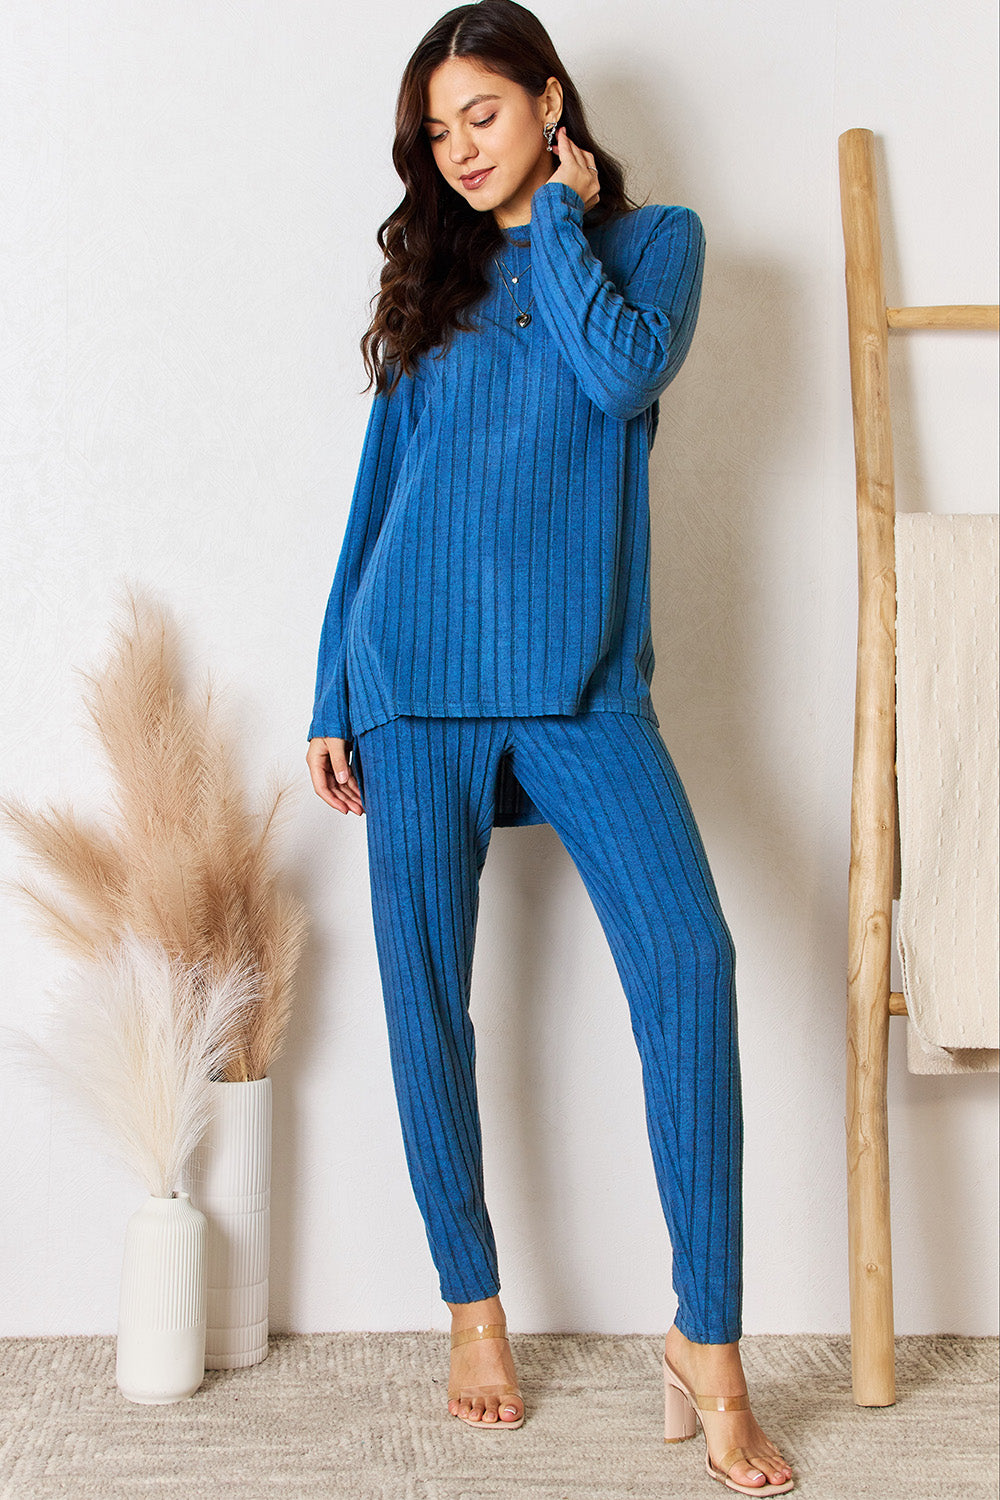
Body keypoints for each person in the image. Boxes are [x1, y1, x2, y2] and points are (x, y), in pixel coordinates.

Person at [306, 2, 794, 1492]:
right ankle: (472, 1305)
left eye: (483, 119)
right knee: (423, 1003)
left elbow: (619, 378)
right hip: (413, 673)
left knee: (692, 965)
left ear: (550, 105)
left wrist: (564, 219)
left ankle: (706, 1344)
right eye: (436, 134)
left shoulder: (658, 247)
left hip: (580, 681)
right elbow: (379, 484)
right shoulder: (427, 286)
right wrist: (332, 684)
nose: (458, 153)